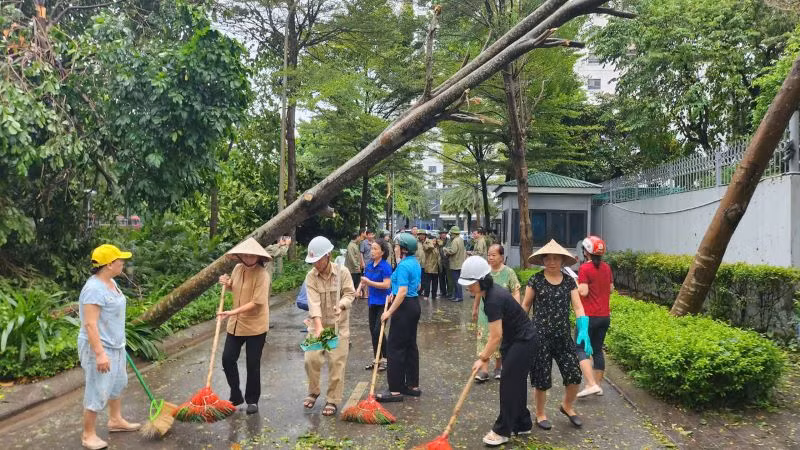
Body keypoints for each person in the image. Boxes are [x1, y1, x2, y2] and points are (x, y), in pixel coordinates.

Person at [460, 256, 537, 446]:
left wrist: (483, 358)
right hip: (513, 339)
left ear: (482, 281)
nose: (468, 287)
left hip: (524, 341)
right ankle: (522, 423)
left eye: (471, 283)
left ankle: (502, 430)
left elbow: (495, 336)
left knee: (509, 384)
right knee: (516, 383)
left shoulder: (493, 299)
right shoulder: (489, 293)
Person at [522, 239, 593, 430]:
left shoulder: (569, 281)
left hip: (563, 336)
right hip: (540, 337)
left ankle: (567, 406)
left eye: (556, 258)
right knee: (542, 379)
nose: (552, 262)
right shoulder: (536, 280)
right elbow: (525, 306)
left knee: (574, 374)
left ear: (562, 260)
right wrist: (519, 329)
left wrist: (583, 328)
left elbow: (578, 307)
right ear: (543, 260)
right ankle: (540, 414)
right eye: (548, 258)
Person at [78, 244, 140, 450]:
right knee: (97, 389)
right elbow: (90, 324)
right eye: (120, 260)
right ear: (109, 264)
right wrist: (100, 354)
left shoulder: (111, 282)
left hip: (116, 345)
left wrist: (118, 343)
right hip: (99, 347)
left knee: (118, 383)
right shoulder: (94, 289)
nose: (123, 262)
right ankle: (88, 435)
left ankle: (115, 420)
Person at [302, 236, 356, 417]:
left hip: (338, 327)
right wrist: (318, 327)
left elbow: (350, 294)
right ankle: (314, 390)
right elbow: (313, 303)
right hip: (317, 325)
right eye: (313, 261)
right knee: (310, 359)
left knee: (336, 363)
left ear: (328, 256)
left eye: (318, 260)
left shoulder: (343, 272)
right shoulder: (311, 276)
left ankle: (332, 399)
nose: (316, 264)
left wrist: (341, 305)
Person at [217, 238, 272, 414]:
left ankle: (252, 400)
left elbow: (257, 302)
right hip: (236, 325)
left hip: (256, 326)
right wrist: (226, 283)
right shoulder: (237, 269)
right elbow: (235, 287)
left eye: (252, 255)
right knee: (227, 359)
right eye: (245, 255)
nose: (248, 258)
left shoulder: (262, 275)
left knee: (252, 364)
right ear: (240, 256)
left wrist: (232, 312)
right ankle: (235, 394)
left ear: (258, 257)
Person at [376, 233, 422, 402]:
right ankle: (412, 385)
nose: (394, 248)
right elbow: (417, 285)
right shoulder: (414, 263)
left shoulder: (403, 266)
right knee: (410, 346)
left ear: (403, 249)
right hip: (414, 305)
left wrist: (389, 312)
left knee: (395, 348)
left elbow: (402, 291)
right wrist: (393, 294)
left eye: (396, 246)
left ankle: (395, 390)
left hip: (404, 308)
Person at [472, 244, 521, 382]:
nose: (490, 258)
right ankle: (484, 370)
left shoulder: (509, 272)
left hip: (502, 313)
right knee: (484, 338)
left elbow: (516, 291)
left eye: (494, 255)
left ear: (501, 257)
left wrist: (516, 310)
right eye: (489, 255)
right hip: (485, 311)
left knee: (499, 338)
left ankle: (498, 368)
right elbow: (478, 291)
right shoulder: (484, 272)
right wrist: (475, 308)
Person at [575, 236, 613, 398]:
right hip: (604, 316)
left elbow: (583, 292)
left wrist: (575, 283)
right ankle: (597, 386)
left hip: (588, 317)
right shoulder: (607, 267)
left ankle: (590, 384)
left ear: (586, 251)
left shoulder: (585, 268)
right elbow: (611, 289)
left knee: (580, 348)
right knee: (597, 350)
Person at [358, 240, 393, 371]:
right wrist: (358, 289)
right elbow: (364, 280)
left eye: (375, 249)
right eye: (372, 248)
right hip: (372, 301)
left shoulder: (385, 267)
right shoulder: (369, 265)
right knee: (373, 331)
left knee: (378, 330)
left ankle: (387, 359)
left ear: (382, 252)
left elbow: (386, 285)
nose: (372, 251)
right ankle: (377, 359)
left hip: (384, 302)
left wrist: (369, 283)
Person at [442, 226, 466, 302]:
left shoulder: (455, 240)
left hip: (455, 263)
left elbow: (453, 251)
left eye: (451, 234)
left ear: (454, 233)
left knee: (456, 281)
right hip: (459, 263)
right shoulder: (460, 239)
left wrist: (445, 249)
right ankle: (456, 296)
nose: (450, 235)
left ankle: (459, 297)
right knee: (457, 281)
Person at [422, 232, 440, 300]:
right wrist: (430, 242)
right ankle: (426, 295)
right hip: (429, 267)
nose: (434, 242)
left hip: (436, 267)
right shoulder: (427, 246)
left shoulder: (437, 247)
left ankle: (434, 295)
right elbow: (429, 248)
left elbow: (441, 243)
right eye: (433, 241)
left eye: (435, 241)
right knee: (427, 282)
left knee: (435, 283)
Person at [359, 229, 373, 297]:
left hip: (373, 263)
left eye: (372, 234)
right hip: (366, 263)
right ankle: (365, 294)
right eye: (369, 235)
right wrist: (362, 262)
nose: (371, 236)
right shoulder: (363, 243)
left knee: (371, 278)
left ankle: (369, 293)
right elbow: (361, 253)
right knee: (365, 278)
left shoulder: (374, 243)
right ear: (367, 235)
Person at [415, 232, 429, 299]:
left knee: (424, 279)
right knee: (417, 278)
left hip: (425, 263)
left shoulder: (428, 242)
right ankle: (418, 291)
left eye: (423, 235)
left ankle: (422, 291)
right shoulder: (415, 242)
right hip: (417, 263)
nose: (422, 236)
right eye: (420, 235)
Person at [437, 230, 450, 298]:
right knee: (441, 278)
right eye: (442, 233)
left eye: (445, 233)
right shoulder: (437, 241)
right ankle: (443, 292)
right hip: (440, 262)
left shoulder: (449, 241)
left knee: (448, 278)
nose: (444, 234)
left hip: (448, 261)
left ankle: (449, 292)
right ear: (440, 234)